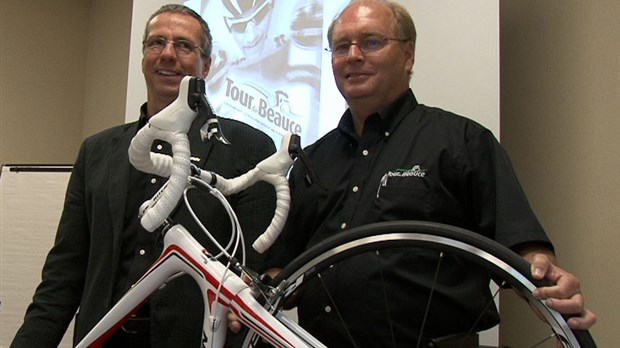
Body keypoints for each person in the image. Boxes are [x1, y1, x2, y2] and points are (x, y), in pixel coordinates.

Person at [229, 0, 597, 346]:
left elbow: (521, 249)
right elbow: (285, 267)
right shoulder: (312, 160)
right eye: (342, 47)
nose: (353, 56)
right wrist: (255, 291)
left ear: (408, 55)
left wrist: (547, 279)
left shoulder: (462, 141)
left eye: (371, 42)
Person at [11, 4, 276, 348]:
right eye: (157, 43)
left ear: (206, 65)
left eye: (184, 46)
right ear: (143, 58)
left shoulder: (248, 148)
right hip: (103, 338)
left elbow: (255, 272)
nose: (168, 54)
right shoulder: (96, 152)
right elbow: (63, 276)